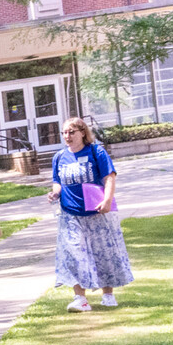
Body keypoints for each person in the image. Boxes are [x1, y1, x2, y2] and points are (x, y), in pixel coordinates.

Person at [52, 117, 134, 311]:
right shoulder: (59, 157)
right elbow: (57, 181)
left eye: (72, 132)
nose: (67, 136)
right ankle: (80, 299)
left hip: (97, 211)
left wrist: (107, 200)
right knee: (73, 254)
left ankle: (108, 294)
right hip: (70, 213)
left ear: (83, 132)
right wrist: (55, 193)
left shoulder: (96, 152)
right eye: (64, 132)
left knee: (103, 253)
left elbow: (109, 177)